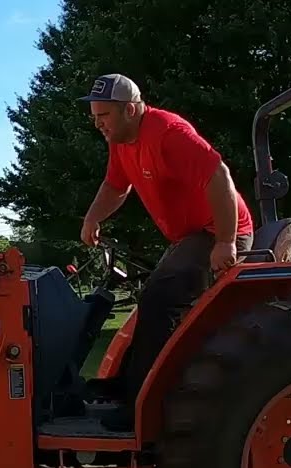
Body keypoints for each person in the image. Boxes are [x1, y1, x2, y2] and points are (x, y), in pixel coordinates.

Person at [78, 73, 254, 430]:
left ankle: (147, 408)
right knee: (151, 296)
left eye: (104, 116)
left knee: (161, 298)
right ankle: (129, 387)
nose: (98, 124)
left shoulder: (168, 133)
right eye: (94, 116)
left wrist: (225, 241)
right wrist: (92, 218)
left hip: (216, 232)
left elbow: (218, 174)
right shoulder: (121, 141)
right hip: (190, 236)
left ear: (130, 109)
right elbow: (115, 186)